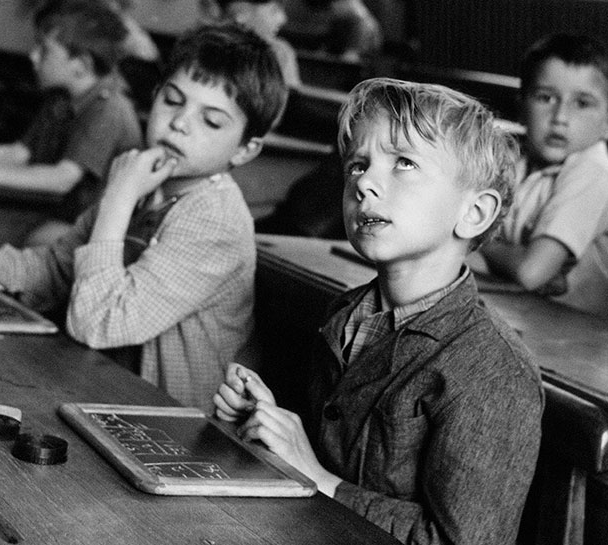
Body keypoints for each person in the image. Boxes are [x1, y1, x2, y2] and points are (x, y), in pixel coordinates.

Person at [214, 78, 543, 545]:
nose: (364, 182)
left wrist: (318, 479)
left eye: (404, 163)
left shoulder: (493, 369)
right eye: (357, 166)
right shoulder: (347, 314)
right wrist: (267, 421)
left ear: (474, 213)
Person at [0, 23, 289, 411]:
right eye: (172, 100)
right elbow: (57, 264)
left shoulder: (213, 218)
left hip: (173, 428)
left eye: (212, 121)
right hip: (103, 391)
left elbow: (99, 323)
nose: (181, 122)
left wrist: (118, 198)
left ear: (245, 150)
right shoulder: (146, 179)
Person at [0, 0, 142, 246]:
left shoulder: (108, 109)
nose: (33, 56)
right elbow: (19, 154)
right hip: (66, 215)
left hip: (104, 233)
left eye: (44, 50)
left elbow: (61, 179)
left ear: (81, 65)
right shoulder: (61, 100)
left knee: (32, 240)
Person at [475, 33, 608, 325]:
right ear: (521, 107)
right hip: (533, 317)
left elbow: (530, 272)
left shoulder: (593, 172)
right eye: (545, 98)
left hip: (595, 340)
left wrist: (478, 241)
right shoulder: (515, 162)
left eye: (582, 103)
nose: (560, 116)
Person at [216, 0, 300, 87]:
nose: (283, 19)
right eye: (273, 10)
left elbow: (291, 97)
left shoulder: (280, 52)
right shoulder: (212, 47)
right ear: (240, 14)